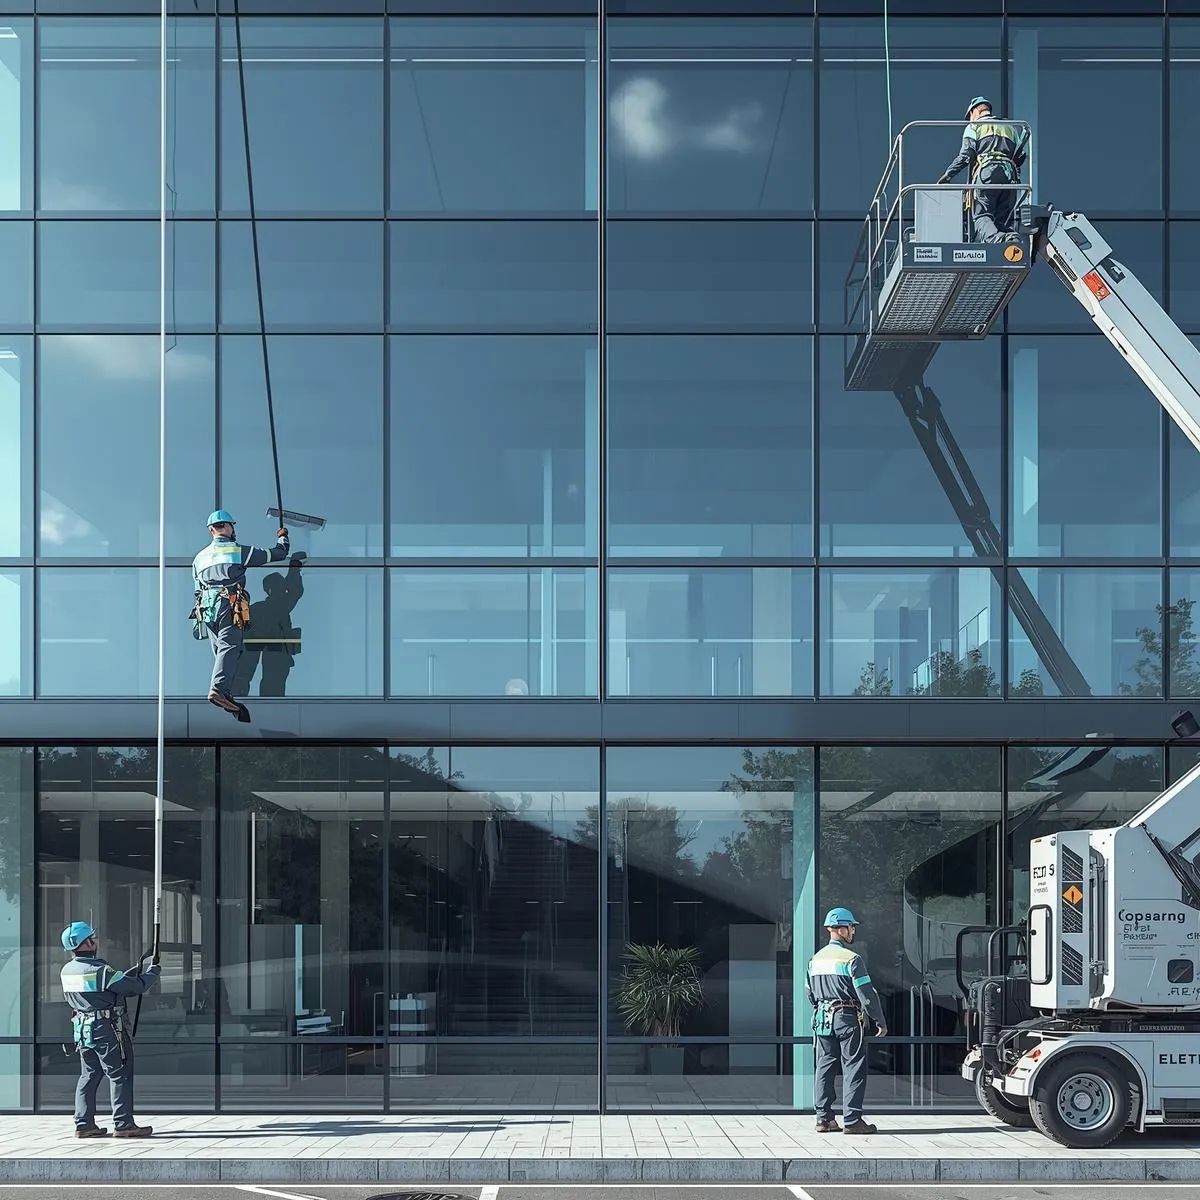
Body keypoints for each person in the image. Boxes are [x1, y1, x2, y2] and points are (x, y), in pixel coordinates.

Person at [60, 921, 160, 1139]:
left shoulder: (67, 971)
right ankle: (124, 1124)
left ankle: (84, 1124)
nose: (96, 940)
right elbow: (135, 987)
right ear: (86, 943)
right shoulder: (101, 970)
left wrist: (130, 972)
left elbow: (107, 986)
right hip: (107, 1030)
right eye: (93, 938)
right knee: (119, 1074)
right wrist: (153, 971)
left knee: (88, 1075)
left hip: (83, 1030)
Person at [192, 510, 289, 716]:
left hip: (206, 609)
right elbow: (277, 554)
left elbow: (197, 589)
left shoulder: (199, 558)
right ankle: (219, 689)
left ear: (211, 530)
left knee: (220, 650)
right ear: (229, 527)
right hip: (228, 604)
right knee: (230, 646)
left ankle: (225, 690)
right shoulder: (237, 550)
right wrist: (283, 538)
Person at [806, 907, 887, 1135]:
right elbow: (866, 994)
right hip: (847, 1018)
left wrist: (821, 1008)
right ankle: (852, 1120)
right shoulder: (852, 959)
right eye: (851, 927)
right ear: (841, 929)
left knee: (824, 1066)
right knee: (854, 1067)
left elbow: (809, 994)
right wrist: (879, 1021)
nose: (853, 931)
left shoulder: (815, 960)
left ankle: (823, 1119)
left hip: (822, 1018)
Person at [936, 96, 1026, 244]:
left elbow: (966, 156)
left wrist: (947, 175)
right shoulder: (1009, 127)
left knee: (981, 215)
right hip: (1010, 176)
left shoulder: (974, 126)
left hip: (988, 172)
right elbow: (1021, 157)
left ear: (974, 111)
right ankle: (1011, 239)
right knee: (1000, 221)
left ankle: (997, 241)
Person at [232, 557, 305, 698]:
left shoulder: (263, 607)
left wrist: (294, 569)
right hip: (267, 646)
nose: (283, 590)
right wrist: (294, 569)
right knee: (269, 679)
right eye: (280, 587)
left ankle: (239, 697)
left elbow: (295, 591)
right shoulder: (277, 605)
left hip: (268, 647)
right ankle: (241, 697)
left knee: (269, 678)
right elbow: (295, 591)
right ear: (271, 590)